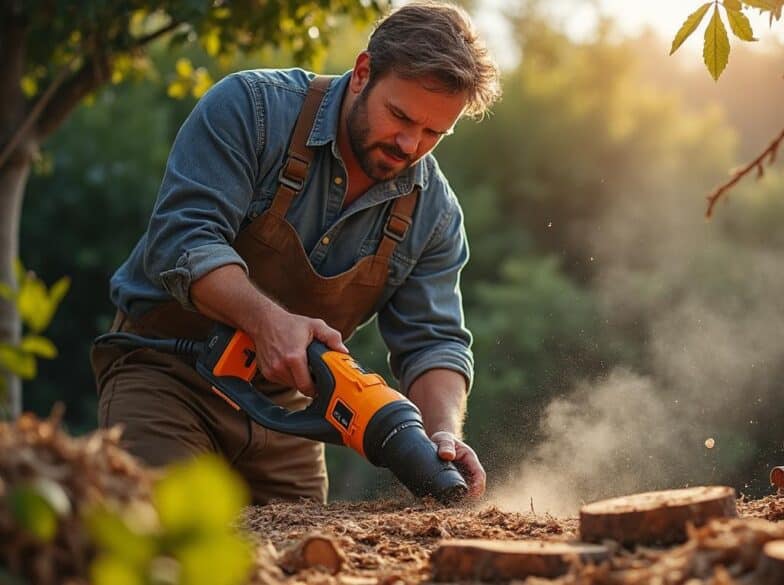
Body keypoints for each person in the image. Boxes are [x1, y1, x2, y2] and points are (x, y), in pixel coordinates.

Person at [91, 0, 500, 504]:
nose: (410, 144)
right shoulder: (252, 109)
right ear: (363, 72)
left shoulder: (433, 216)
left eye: (435, 133)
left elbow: (433, 342)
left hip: (285, 412)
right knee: (165, 551)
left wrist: (441, 432)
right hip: (166, 373)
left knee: (309, 565)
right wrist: (267, 321)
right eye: (400, 116)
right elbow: (183, 241)